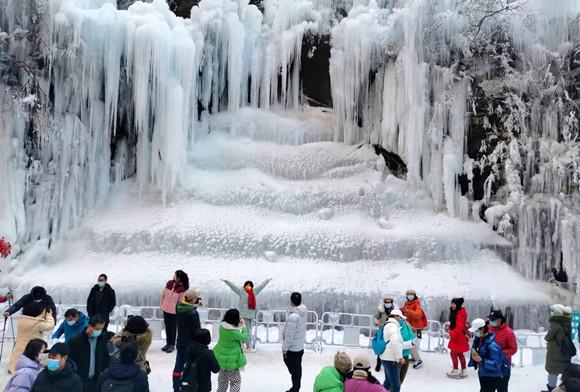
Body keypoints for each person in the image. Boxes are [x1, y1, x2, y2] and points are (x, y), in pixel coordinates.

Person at [221, 277, 272, 351]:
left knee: (246, 330)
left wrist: (267, 281)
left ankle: (243, 344)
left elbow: (261, 286)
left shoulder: (254, 292)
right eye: (247, 285)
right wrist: (226, 281)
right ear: (244, 286)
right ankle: (248, 346)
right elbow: (233, 287)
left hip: (251, 315)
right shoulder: (241, 291)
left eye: (250, 285)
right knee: (246, 330)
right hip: (243, 315)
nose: (248, 286)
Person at [67, 314, 111, 392]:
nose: (99, 332)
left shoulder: (102, 340)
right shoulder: (75, 341)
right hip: (79, 380)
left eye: (101, 329)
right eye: (97, 329)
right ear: (89, 326)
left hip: (95, 380)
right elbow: (70, 361)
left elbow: (105, 358)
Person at [8, 302, 55, 374]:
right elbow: (50, 326)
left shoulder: (21, 320)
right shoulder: (38, 323)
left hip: (19, 348)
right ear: (37, 312)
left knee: (18, 363)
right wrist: (49, 316)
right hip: (33, 348)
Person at [468, 318, 509, 392]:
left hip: (492, 376)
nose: (475, 333)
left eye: (476, 331)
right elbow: (475, 347)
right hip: (484, 373)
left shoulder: (492, 344)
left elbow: (496, 364)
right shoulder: (480, 339)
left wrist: (481, 360)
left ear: (482, 329)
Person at [173, 289, 202, 392]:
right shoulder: (193, 313)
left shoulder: (178, 307)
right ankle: (186, 387)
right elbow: (197, 331)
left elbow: (186, 304)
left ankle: (176, 388)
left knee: (178, 366)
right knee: (189, 367)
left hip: (180, 342)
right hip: (190, 344)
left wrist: (195, 303)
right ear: (193, 300)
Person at [213, 309, 248, 392]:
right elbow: (243, 336)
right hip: (231, 361)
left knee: (222, 382)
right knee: (235, 382)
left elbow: (233, 328)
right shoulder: (234, 332)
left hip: (221, 359)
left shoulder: (222, 326)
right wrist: (243, 326)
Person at [545, 304, 575, 392]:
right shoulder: (567, 323)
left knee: (553, 373)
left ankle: (552, 389)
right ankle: (563, 388)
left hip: (555, 354)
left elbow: (548, 337)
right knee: (564, 373)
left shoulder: (555, 324)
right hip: (564, 352)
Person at [283, 292, 308, 392]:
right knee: (297, 369)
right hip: (299, 347)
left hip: (292, 349)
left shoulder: (293, 317)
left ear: (291, 301)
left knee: (294, 370)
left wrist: (284, 349)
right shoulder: (303, 312)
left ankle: (295, 389)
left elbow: (289, 336)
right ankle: (296, 387)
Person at [488, 309, 517, 391]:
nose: (491, 321)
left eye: (493, 319)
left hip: (503, 366)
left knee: (502, 388)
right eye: (490, 319)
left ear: (500, 319)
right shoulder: (488, 329)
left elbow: (513, 349)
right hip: (489, 366)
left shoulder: (508, 332)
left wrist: (500, 353)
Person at [160, 270, 189, 354]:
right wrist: (162, 304)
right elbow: (163, 295)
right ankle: (168, 343)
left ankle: (172, 344)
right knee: (167, 327)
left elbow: (180, 301)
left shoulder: (182, 288)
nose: (173, 276)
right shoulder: (169, 283)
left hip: (174, 311)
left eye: (175, 275)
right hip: (165, 309)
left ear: (178, 277)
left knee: (172, 328)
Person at [379, 309, 405, 392]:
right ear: (396, 316)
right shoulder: (393, 326)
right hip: (391, 359)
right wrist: (400, 358)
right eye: (401, 318)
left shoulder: (388, 325)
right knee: (396, 386)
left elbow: (395, 343)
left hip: (386, 357)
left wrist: (411, 344)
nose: (402, 320)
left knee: (388, 382)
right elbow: (394, 342)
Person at [400, 289, 427, 369]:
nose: (410, 296)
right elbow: (402, 310)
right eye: (408, 294)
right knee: (410, 343)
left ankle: (418, 360)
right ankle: (414, 357)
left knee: (412, 344)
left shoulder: (416, 304)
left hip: (416, 328)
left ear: (414, 296)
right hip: (410, 327)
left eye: (411, 294)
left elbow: (418, 314)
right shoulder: (407, 304)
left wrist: (408, 311)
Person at [373, 295, 398, 372]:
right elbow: (376, 317)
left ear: (391, 302)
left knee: (392, 346)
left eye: (389, 302)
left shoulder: (395, 310)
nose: (387, 303)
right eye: (386, 302)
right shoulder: (381, 310)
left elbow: (399, 317)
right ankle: (379, 363)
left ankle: (391, 362)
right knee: (381, 346)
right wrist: (377, 323)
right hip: (383, 330)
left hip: (392, 330)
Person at [447, 298, 469, 379]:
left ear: (458, 305)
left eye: (454, 303)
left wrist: (452, 333)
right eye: (452, 303)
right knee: (460, 354)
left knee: (453, 353)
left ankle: (455, 370)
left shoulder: (459, 314)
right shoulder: (457, 312)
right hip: (459, 336)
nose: (452, 305)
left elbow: (459, 327)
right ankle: (464, 370)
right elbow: (456, 324)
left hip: (458, 337)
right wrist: (450, 327)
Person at [399, 312, 416, 384]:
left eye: (403, 318)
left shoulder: (406, 326)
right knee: (393, 381)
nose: (403, 319)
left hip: (405, 355)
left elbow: (413, 338)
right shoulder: (392, 327)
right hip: (396, 357)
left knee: (400, 380)